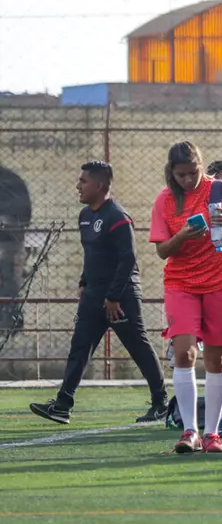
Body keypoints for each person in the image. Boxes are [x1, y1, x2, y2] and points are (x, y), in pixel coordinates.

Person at [29, 161, 168, 425]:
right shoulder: (85, 216)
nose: (78, 186)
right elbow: (91, 255)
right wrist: (84, 282)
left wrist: (114, 297)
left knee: (138, 348)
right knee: (79, 347)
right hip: (93, 295)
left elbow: (128, 259)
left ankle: (161, 404)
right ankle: (62, 405)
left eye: (83, 181)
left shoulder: (118, 217)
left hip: (120, 298)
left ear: (100, 185)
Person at [150, 141, 222, 454]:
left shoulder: (221, 190)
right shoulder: (165, 200)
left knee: (217, 358)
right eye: (181, 175)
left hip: (220, 283)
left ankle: (212, 434)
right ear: (172, 173)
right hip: (181, 284)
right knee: (184, 354)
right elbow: (161, 250)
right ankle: (189, 431)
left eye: (193, 172)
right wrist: (182, 235)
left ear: (201, 165)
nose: (188, 179)